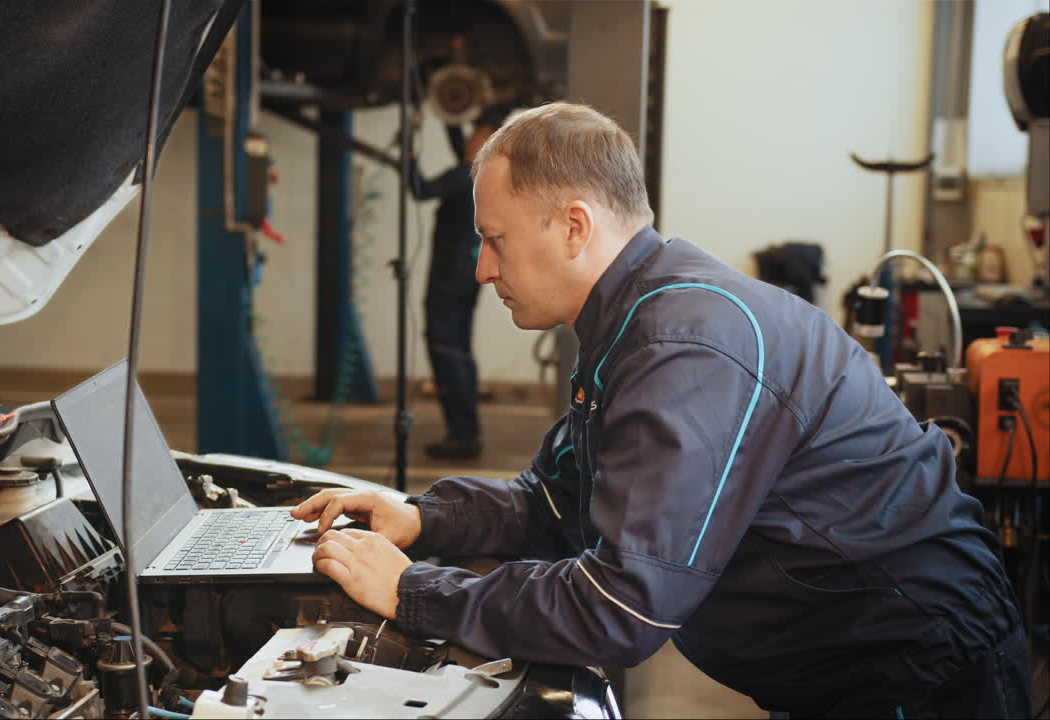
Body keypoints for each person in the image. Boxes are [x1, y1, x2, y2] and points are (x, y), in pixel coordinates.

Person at [292, 102, 1031, 717]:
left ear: (575, 227)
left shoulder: (683, 346)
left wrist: (416, 592)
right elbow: (554, 498)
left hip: (912, 670)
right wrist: (420, 518)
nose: (483, 268)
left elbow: (622, 608)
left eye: (494, 241)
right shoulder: (634, 319)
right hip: (840, 666)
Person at [411, 106, 509, 460]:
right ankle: (465, 432)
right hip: (464, 278)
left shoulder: (467, 175)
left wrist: (409, 144)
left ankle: (462, 435)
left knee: (446, 351)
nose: (469, 138)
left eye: (476, 134)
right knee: (459, 352)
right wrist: (446, 117)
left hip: (448, 281)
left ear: (489, 143)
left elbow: (419, 188)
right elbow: (459, 150)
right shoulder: (483, 175)